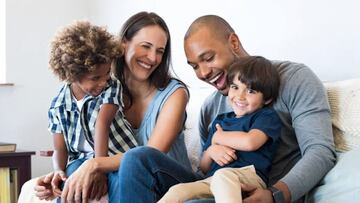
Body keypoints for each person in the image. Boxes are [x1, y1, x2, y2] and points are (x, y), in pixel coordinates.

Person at [117, 15, 336, 203]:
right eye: (194, 66)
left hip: (260, 190)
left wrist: (275, 194)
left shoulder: (294, 79)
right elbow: (204, 169)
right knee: (138, 158)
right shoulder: (210, 107)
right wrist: (211, 152)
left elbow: (320, 152)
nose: (202, 73)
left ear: (233, 42)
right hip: (212, 187)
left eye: (208, 58)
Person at [33, 12, 191, 203]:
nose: (153, 57)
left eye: (160, 51)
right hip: (127, 178)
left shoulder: (174, 93)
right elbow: (74, 144)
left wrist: (95, 164)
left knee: (133, 161)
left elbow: (148, 156)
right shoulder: (100, 87)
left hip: (167, 180)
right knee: (76, 181)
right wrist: (61, 177)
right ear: (123, 44)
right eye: (146, 47)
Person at [37, 20, 138, 202]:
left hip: (115, 156)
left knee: (119, 181)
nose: (104, 81)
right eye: (95, 77)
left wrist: (98, 168)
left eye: (107, 73)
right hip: (80, 160)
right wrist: (58, 171)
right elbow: (60, 148)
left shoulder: (111, 87)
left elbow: (102, 124)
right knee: (69, 185)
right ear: (72, 74)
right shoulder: (58, 105)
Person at [158, 56, 282, 203]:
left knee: (223, 176)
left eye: (250, 91)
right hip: (213, 179)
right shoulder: (221, 121)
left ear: (266, 99)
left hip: (247, 177)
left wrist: (218, 138)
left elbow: (250, 142)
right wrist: (211, 151)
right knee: (178, 190)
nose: (240, 96)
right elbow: (203, 167)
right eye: (235, 87)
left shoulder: (265, 116)